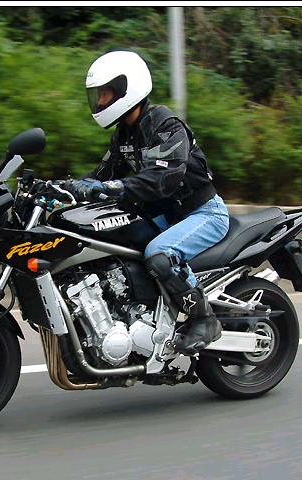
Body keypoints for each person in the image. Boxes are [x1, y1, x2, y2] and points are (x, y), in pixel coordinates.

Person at [65, 50, 230, 355]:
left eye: (105, 93)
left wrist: (111, 188)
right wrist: (62, 187)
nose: (100, 102)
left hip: (202, 212)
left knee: (159, 254)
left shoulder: (165, 125)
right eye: (98, 95)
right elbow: (102, 175)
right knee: (116, 239)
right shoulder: (124, 134)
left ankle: (204, 319)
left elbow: (163, 179)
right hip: (168, 215)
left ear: (127, 89)